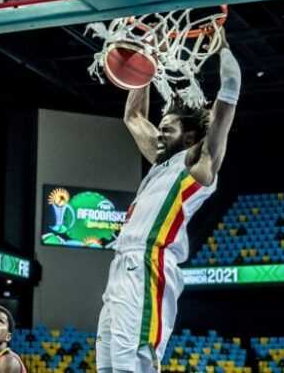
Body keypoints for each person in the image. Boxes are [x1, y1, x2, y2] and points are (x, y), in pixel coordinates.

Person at [96, 26, 241, 373]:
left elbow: (230, 92)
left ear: (189, 135)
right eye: (160, 126)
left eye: (168, 128)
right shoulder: (161, 161)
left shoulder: (197, 162)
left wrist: (223, 47)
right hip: (121, 266)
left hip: (150, 263)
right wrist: (143, 62)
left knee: (135, 363)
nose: (159, 132)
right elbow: (132, 117)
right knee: (107, 365)